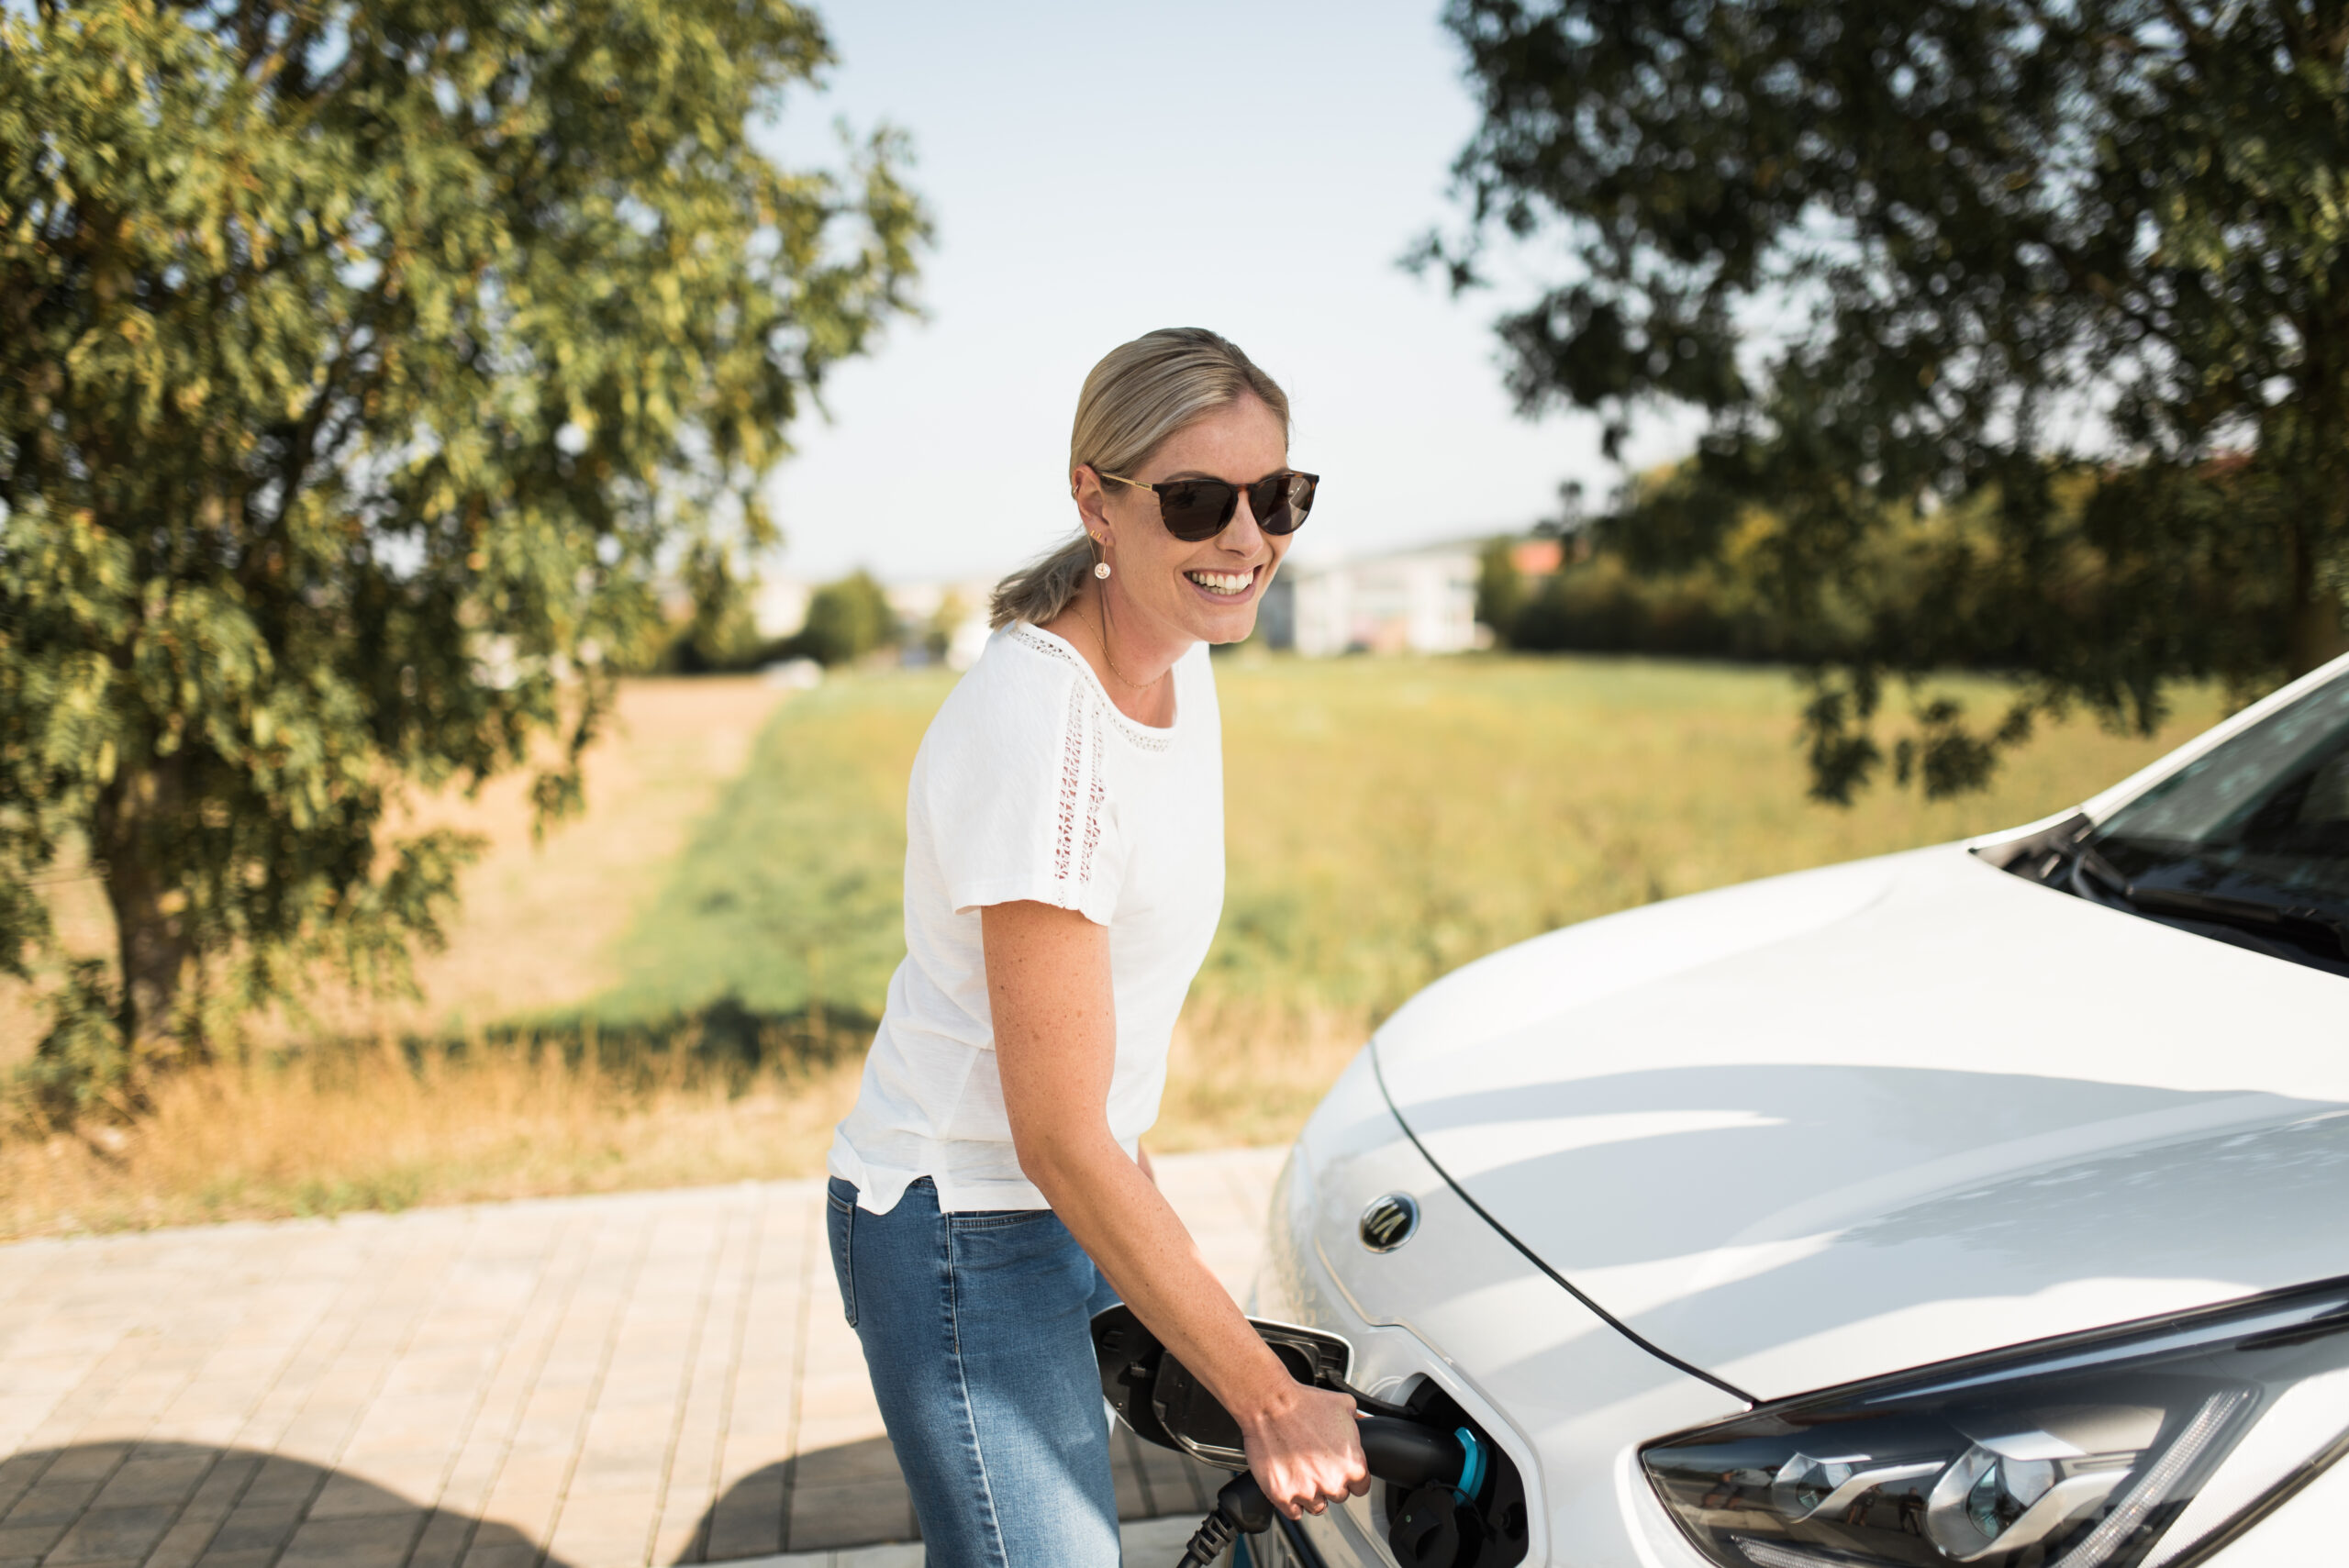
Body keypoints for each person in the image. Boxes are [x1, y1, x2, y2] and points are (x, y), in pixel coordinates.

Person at [824, 328, 1363, 1565]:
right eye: (1196, 500)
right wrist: (1267, 1398)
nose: (1246, 540)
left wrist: (1153, 1226)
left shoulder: (1180, 659)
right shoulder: (1043, 729)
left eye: (1278, 497)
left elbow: (1097, 1060)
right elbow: (1053, 1127)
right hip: (962, 1225)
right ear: (1096, 502)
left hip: (1073, 1196)